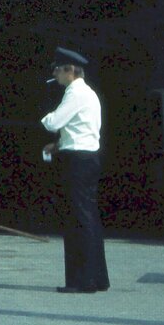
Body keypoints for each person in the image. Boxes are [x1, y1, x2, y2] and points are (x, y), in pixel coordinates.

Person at [41, 47, 109, 294]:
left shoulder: (75, 92)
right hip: (87, 158)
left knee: (77, 219)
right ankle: (98, 278)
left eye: (57, 70)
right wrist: (58, 145)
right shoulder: (88, 94)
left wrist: (46, 117)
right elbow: (82, 131)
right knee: (88, 217)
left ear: (70, 70)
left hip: (77, 163)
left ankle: (83, 281)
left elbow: (54, 123)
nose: (55, 75)